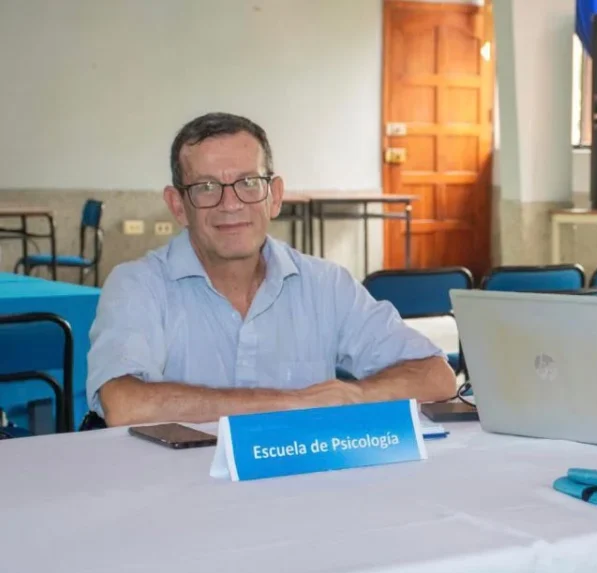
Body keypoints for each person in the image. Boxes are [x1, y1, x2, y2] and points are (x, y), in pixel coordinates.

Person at [87, 112, 456, 427]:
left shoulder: (325, 284)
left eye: (249, 183)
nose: (230, 204)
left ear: (274, 196)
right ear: (178, 206)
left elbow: (436, 377)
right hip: (177, 484)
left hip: (305, 483)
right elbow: (124, 403)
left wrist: (353, 396)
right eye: (206, 187)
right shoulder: (137, 285)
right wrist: (293, 403)